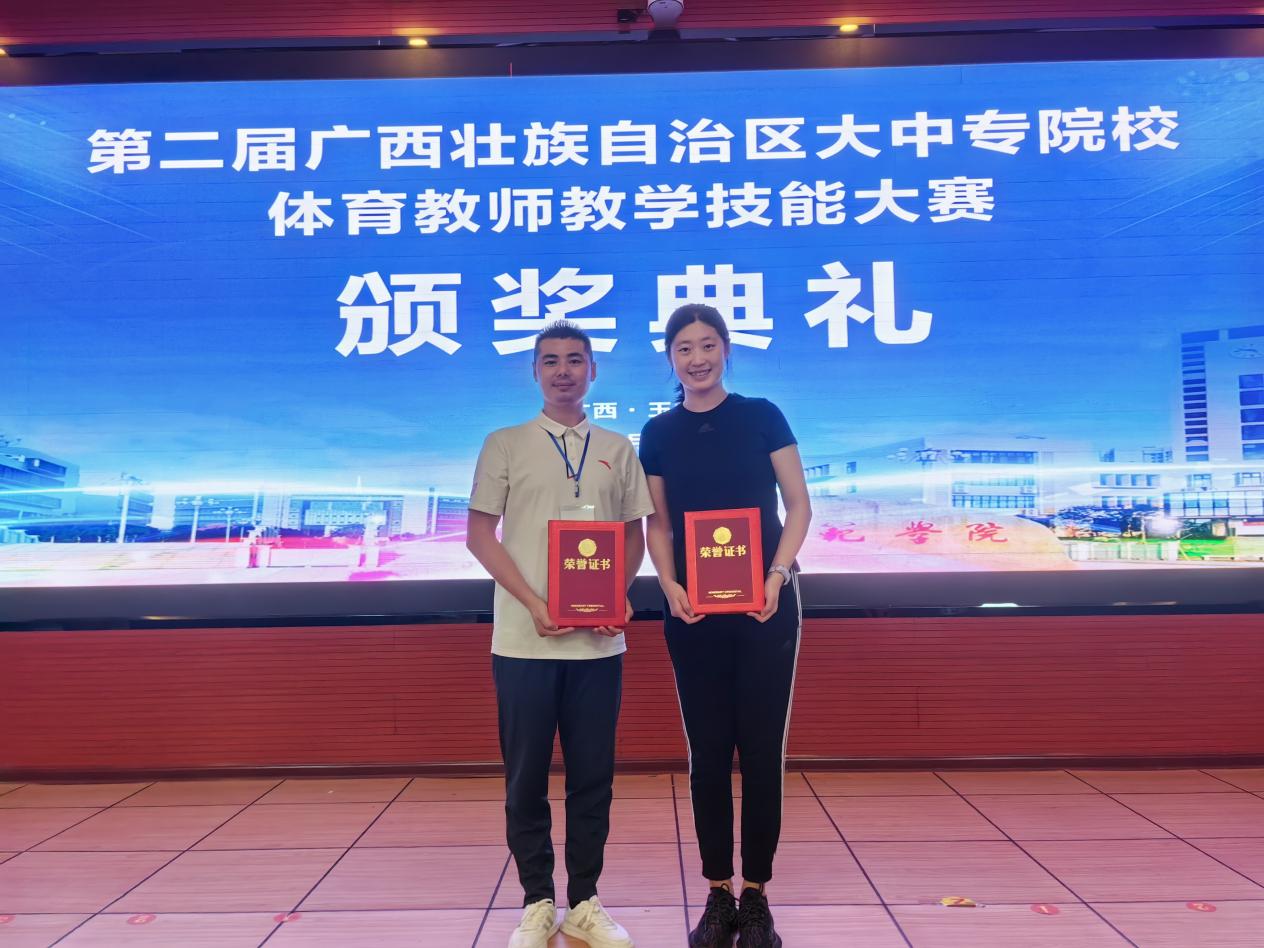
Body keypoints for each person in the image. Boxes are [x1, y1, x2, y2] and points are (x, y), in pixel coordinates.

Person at [467, 320, 653, 948]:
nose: (564, 370)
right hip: (524, 641)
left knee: (592, 778)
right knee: (525, 778)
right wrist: (533, 602)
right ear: (535, 372)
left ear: (593, 371)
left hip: (598, 645)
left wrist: (617, 594)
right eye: (551, 360)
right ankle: (537, 901)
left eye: (576, 359)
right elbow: (479, 536)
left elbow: (632, 534)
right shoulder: (504, 444)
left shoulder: (617, 448)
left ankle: (586, 901)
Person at [639, 304, 812, 948]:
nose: (698, 358)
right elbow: (658, 524)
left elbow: (798, 506)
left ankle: (757, 895)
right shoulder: (658, 432)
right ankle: (717, 893)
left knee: (762, 750)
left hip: (766, 605)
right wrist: (669, 584)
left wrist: (777, 574)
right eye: (684, 348)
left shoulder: (762, 415)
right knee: (708, 752)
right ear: (671, 358)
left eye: (708, 344)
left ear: (726, 349)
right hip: (693, 611)